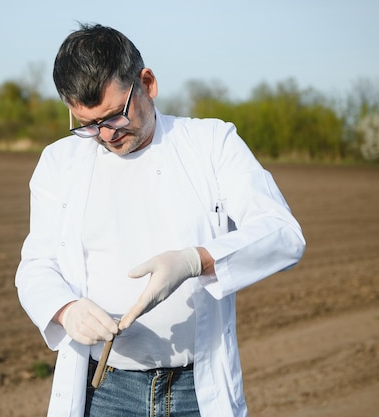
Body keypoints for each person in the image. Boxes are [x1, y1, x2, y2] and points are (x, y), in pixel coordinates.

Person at [15, 23, 305, 417]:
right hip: (104, 389)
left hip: (194, 391)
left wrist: (195, 260)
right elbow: (36, 265)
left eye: (114, 116)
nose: (105, 135)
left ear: (147, 83)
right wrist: (65, 310)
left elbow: (283, 233)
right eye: (87, 124)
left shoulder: (212, 144)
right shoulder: (58, 163)